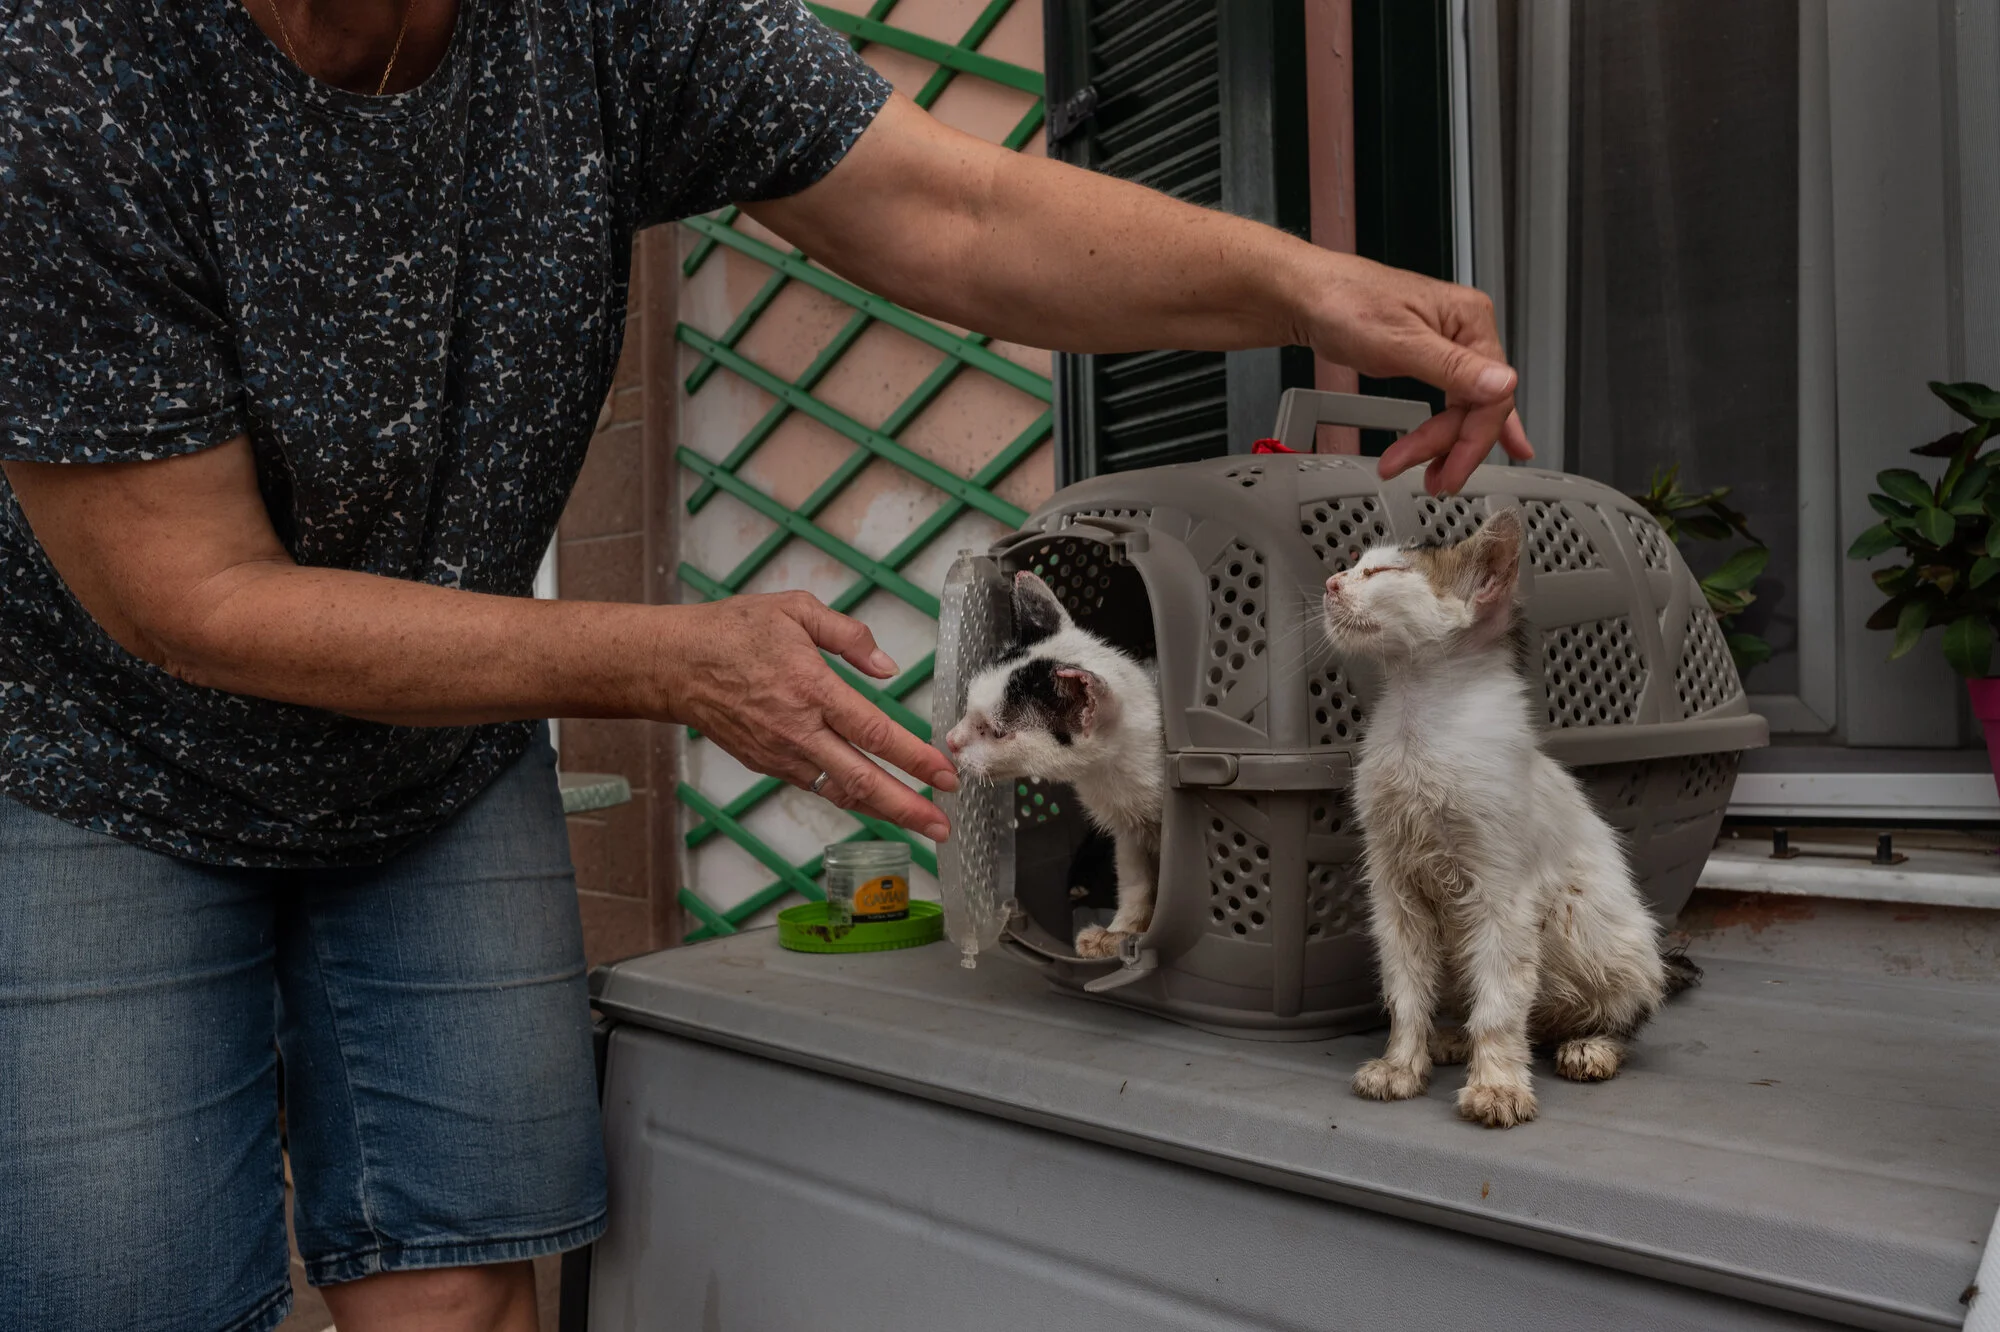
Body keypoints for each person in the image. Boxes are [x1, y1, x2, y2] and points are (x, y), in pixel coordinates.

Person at [0, 1, 1532, 1329]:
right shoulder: (61, 65)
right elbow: (187, 593)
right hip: (101, 758)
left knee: (456, 1275)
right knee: (120, 1296)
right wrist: (663, 661)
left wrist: (1303, 286)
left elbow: (958, 212)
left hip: (430, 760)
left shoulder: (612, 22)